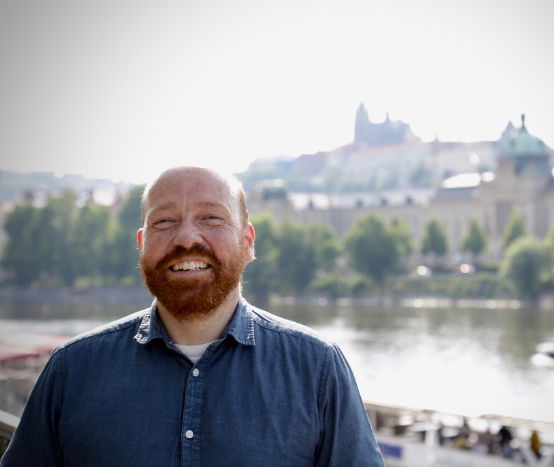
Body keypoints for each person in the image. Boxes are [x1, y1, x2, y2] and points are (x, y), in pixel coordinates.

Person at [1, 166, 384, 466]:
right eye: (164, 222)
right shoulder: (72, 372)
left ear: (248, 243)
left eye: (212, 219)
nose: (186, 238)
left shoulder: (316, 369)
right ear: (142, 245)